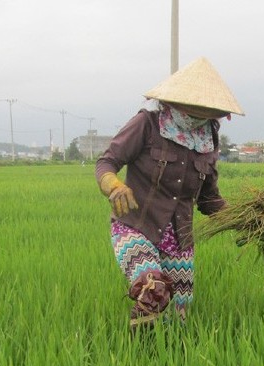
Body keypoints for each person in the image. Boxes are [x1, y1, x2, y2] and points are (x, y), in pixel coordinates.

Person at [95, 57, 244, 332]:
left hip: (180, 237)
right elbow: (107, 162)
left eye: (206, 112)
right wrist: (114, 185)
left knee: (177, 317)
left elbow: (208, 198)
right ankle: (136, 353)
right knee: (154, 287)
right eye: (193, 110)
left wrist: (242, 219)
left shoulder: (208, 140)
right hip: (137, 225)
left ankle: (166, 363)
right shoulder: (147, 124)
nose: (197, 118)